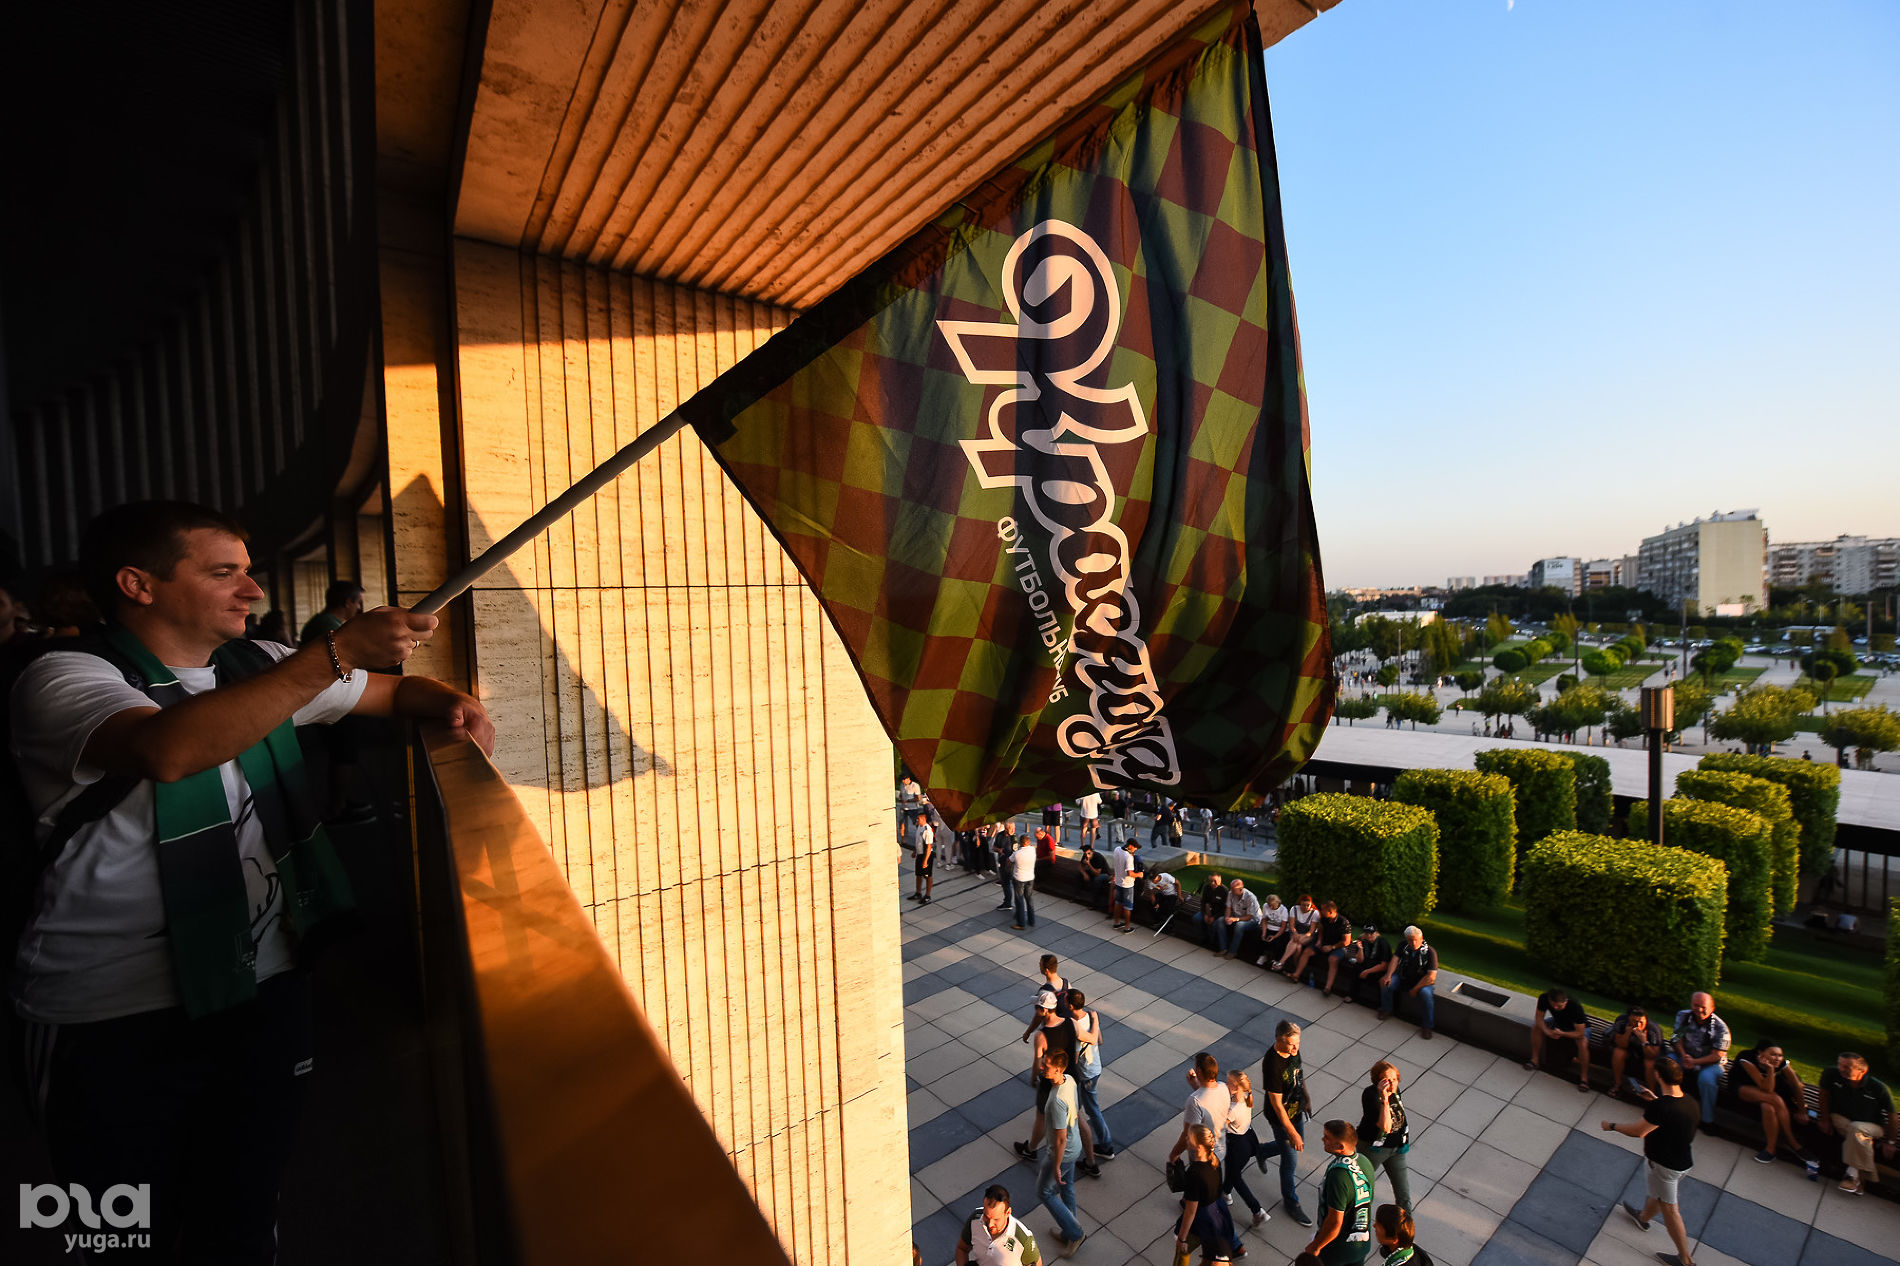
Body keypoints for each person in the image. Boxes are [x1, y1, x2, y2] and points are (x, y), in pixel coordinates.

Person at [8, 499, 492, 1264]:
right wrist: (333, 652)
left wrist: (452, 703)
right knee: (112, 1232)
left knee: (242, 1210)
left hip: (261, 984)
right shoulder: (65, 676)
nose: (254, 590)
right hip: (109, 1015)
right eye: (223, 572)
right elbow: (169, 750)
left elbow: (393, 692)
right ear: (138, 584)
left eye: (250, 570)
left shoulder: (260, 665)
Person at [1602, 1059, 1699, 1266]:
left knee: (1670, 1209)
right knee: (1658, 1194)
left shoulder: (1661, 1107)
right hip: (1684, 1162)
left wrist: (1612, 1126)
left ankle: (1685, 1260)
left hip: (1665, 1166)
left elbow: (1638, 1131)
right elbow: (1672, 1115)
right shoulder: (1689, 1102)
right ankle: (1643, 1218)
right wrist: (1654, 1100)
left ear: (1658, 1076)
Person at [1818, 1051, 1896, 1195]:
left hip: (1873, 1126)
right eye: (1840, 1064)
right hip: (1841, 1118)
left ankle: (1852, 1174)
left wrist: (1890, 1142)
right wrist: (1824, 1119)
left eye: (1847, 1067)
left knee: (1857, 1129)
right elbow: (1823, 1095)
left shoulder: (1878, 1088)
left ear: (1862, 1071)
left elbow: (1892, 1116)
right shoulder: (1831, 1074)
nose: (1841, 1069)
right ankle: (1860, 1179)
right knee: (1858, 1134)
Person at [1259, 1019, 1313, 1227]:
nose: (1295, 1048)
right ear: (1278, 1040)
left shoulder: (1293, 1051)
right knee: (1290, 1161)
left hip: (1296, 1110)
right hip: (1280, 1118)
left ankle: (1261, 1151)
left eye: (1297, 1043)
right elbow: (1276, 1104)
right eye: (1291, 1044)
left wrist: (1306, 1098)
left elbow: (1299, 1073)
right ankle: (1291, 1203)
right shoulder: (1272, 1064)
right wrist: (1292, 1132)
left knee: (1292, 1146)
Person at [1033, 1048, 1087, 1256]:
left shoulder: (1056, 1101)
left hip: (1062, 1153)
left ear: (1058, 1070)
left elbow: (1060, 1138)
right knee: (1067, 1188)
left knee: (1044, 1192)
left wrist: (1056, 1165)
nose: (1042, 1067)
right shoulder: (1069, 1080)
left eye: (1047, 1066)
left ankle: (1075, 1233)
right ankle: (1068, 1231)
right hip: (1075, 1146)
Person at [1731, 1041, 1816, 1171]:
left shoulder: (1781, 1063)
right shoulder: (1747, 1059)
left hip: (1765, 1093)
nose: (1777, 1058)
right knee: (1775, 1099)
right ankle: (1793, 1142)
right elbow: (1767, 1089)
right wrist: (1770, 1069)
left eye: (1780, 1055)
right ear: (1760, 1053)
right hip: (1742, 1087)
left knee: (1768, 1107)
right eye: (1773, 1054)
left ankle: (1770, 1150)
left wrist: (1802, 1111)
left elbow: (1796, 1086)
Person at [1304, 1120, 1375, 1265]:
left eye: (1327, 1137)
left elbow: (1335, 1222)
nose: (1322, 1139)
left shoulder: (1338, 1176)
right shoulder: (1364, 1161)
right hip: (1361, 1243)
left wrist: (1315, 1246)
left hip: (1337, 1250)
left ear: (1340, 1146)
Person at [1174, 1123, 1238, 1264]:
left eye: (1189, 1138)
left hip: (1202, 1220)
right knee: (1210, 1257)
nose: (1186, 1139)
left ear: (1198, 1146)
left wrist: (1182, 1238)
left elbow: (1190, 1211)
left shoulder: (1194, 1173)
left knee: (1183, 1254)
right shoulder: (1214, 1159)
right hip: (1218, 1213)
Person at [1068, 988, 1117, 1163]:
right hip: (1095, 1068)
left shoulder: (1075, 1027)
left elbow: (1074, 1059)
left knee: (1092, 1110)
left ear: (1070, 1005)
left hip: (1086, 1073)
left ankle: (1106, 1146)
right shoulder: (1090, 1017)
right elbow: (1100, 1041)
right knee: (1084, 1103)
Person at [1358, 1061, 1412, 1215]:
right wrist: (1385, 1100)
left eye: (1394, 1079)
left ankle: (1406, 1227)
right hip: (1373, 1149)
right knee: (1362, 1187)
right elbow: (1385, 1126)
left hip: (1396, 1148)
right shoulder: (1371, 1095)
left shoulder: (1396, 1090)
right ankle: (1355, 1219)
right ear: (1378, 1080)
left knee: (1404, 1195)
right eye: (1387, 1080)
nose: (1392, 1083)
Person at [1668, 992, 1730, 1124]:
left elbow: (1717, 1055)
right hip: (1685, 1055)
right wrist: (1684, 1055)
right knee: (1667, 1066)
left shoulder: (1721, 1028)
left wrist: (1695, 1062)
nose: (1699, 1010)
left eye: (1703, 1007)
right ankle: (1666, 1105)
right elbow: (1677, 1038)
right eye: (1696, 1005)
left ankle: (1707, 1120)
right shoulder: (1683, 1016)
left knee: (1706, 1079)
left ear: (1712, 1008)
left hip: (1710, 1063)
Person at [1223, 1070, 1269, 1232]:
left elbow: (1220, 1126)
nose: (1225, 1084)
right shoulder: (1247, 1097)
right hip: (1248, 1141)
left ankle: (1257, 1211)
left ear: (1236, 1088)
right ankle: (1226, 1193)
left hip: (1236, 1145)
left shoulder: (1232, 1110)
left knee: (1236, 1177)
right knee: (1232, 1171)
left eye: (1228, 1083)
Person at [1169, 1052, 1232, 1167]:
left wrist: (1174, 1154)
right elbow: (1210, 1098)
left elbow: (1188, 1134)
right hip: (1220, 1149)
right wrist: (1196, 1085)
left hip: (1202, 1156)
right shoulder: (1223, 1087)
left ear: (1198, 1071)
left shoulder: (1194, 1101)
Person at [956, 1184, 1041, 1266]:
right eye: (986, 1216)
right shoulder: (975, 1219)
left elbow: (1037, 1263)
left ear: (1008, 1212)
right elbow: (962, 1249)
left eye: (996, 1219)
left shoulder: (1023, 1239)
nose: (990, 1224)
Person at [1527, 987, 1592, 1092]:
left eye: (1559, 1006)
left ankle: (1584, 1078)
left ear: (1566, 1001)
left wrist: (1562, 1034)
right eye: (1553, 1005)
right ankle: (1534, 1060)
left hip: (1576, 1027)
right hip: (1558, 1021)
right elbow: (1538, 1019)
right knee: (1536, 1027)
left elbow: (1580, 1033)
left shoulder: (1575, 1006)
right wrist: (1547, 1031)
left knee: (1582, 1042)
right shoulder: (1544, 998)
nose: (1556, 1008)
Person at [1378, 927, 1438, 1039]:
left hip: (1422, 982)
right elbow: (1395, 960)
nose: (1413, 943)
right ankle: (1386, 1009)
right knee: (1386, 983)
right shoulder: (1403, 945)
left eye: (1416, 940)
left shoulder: (1430, 952)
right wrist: (1388, 975)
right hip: (1403, 977)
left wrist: (1416, 989)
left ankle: (1427, 1026)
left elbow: (1431, 977)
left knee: (1426, 994)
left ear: (1421, 938)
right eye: (1410, 940)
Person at [1611, 1006, 1665, 1098]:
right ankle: (1617, 1084)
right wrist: (1627, 1033)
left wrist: (1644, 1041)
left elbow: (1652, 1054)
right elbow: (1620, 1044)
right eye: (1634, 1021)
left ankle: (1651, 1093)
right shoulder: (1621, 1022)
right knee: (1618, 1053)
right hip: (1629, 1048)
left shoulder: (1653, 1030)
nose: (1638, 1025)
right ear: (1628, 1018)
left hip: (1647, 1051)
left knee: (1650, 1063)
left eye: (1641, 1022)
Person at [1272, 893, 1321, 973]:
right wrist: (1295, 934)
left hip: (1308, 934)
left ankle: (1281, 962)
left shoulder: (1314, 913)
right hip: (1295, 932)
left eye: (1308, 905)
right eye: (1303, 905)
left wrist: (1303, 936)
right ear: (1300, 904)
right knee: (1297, 946)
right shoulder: (1294, 909)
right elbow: (1292, 925)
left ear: (1311, 905)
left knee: (1297, 941)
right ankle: (1296, 966)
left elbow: (1312, 930)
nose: (1305, 907)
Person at [1219, 878, 1262, 959]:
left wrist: (1235, 919)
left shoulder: (1250, 897)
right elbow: (1228, 908)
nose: (1231, 891)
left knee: (1239, 925)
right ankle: (1223, 948)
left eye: (1233, 889)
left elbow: (1249, 917)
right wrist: (1227, 917)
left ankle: (1232, 952)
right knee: (1220, 920)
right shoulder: (1231, 893)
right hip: (1237, 917)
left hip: (1253, 920)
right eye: (1231, 888)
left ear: (1241, 889)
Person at [1347, 925, 1393, 997]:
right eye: (1366, 933)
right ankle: (1352, 995)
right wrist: (1360, 949)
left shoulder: (1383, 943)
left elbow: (1384, 965)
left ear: (1376, 933)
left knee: (1380, 978)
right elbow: (1360, 960)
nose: (1369, 936)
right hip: (1367, 965)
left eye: (1371, 933)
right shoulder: (1364, 941)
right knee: (1356, 967)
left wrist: (1367, 971)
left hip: (1378, 969)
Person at [1109, 838, 1142, 933]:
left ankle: (1116, 923)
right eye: (1135, 847)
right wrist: (1139, 874)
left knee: (1118, 902)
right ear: (1130, 846)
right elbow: (1130, 873)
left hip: (1118, 882)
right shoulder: (1128, 857)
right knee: (1128, 907)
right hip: (1127, 885)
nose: (1135, 850)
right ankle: (1127, 928)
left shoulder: (1117, 849)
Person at [1254, 894, 1291, 967]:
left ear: (1277, 903)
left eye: (1272, 905)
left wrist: (1275, 936)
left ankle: (1275, 959)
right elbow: (1264, 920)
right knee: (1259, 936)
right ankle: (1262, 956)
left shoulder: (1283, 910)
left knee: (1278, 942)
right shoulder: (1265, 906)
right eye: (1269, 905)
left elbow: (1283, 926)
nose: (1270, 907)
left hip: (1279, 930)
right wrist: (1264, 933)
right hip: (1269, 927)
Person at [1194, 872, 1229, 948]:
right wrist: (1205, 914)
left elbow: (1225, 909)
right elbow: (1203, 902)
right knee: (1197, 918)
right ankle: (1203, 938)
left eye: (1215, 881)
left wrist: (1214, 917)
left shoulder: (1224, 891)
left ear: (1220, 881)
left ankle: (1213, 942)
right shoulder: (1207, 887)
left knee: (1215, 924)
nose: (1213, 883)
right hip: (1207, 912)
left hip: (1219, 914)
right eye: (1211, 881)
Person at [1011, 833, 1038, 930]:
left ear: (1020, 842)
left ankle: (1021, 923)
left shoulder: (1017, 854)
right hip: (1030, 878)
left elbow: (1009, 861)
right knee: (1029, 899)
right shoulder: (1033, 850)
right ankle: (1031, 920)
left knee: (1019, 901)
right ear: (1028, 842)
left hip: (1019, 879)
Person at [909, 810, 935, 905]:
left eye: (918, 818)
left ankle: (927, 895)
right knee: (918, 874)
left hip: (926, 855)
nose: (917, 820)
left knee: (928, 875)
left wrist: (925, 861)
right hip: (920, 854)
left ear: (924, 819)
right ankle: (918, 893)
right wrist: (915, 851)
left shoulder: (927, 830)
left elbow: (929, 846)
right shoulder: (919, 827)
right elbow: (918, 841)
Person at [1078, 840, 1111, 910]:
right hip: (1093, 872)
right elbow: (1080, 867)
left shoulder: (1098, 857)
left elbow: (1097, 873)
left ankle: (1094, 903)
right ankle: (1077, 896)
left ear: (1092, 851)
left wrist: (1088, 864)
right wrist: (1084, 874)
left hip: (1105, 874)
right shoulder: (1085, 855)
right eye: (1085, 854)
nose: (1087, 855)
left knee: (1097, 880)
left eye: (1089, 853)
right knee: (1079, 874)